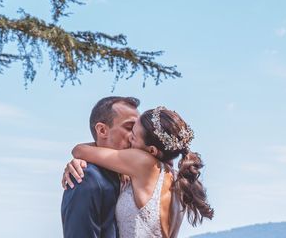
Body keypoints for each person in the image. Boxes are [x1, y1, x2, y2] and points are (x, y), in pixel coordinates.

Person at [65, 106, 214, 238]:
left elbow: (79, 150)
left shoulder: (143, 163)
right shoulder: (177, 180)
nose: (129, 138)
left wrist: (80, 159)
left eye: (134, 136)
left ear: (152, 150)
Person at [61, 96, 140, 238]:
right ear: (102, 130)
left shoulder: (135, 174)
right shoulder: (86, 178)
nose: (136, 137)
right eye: (129, 128)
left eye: (138, 130)